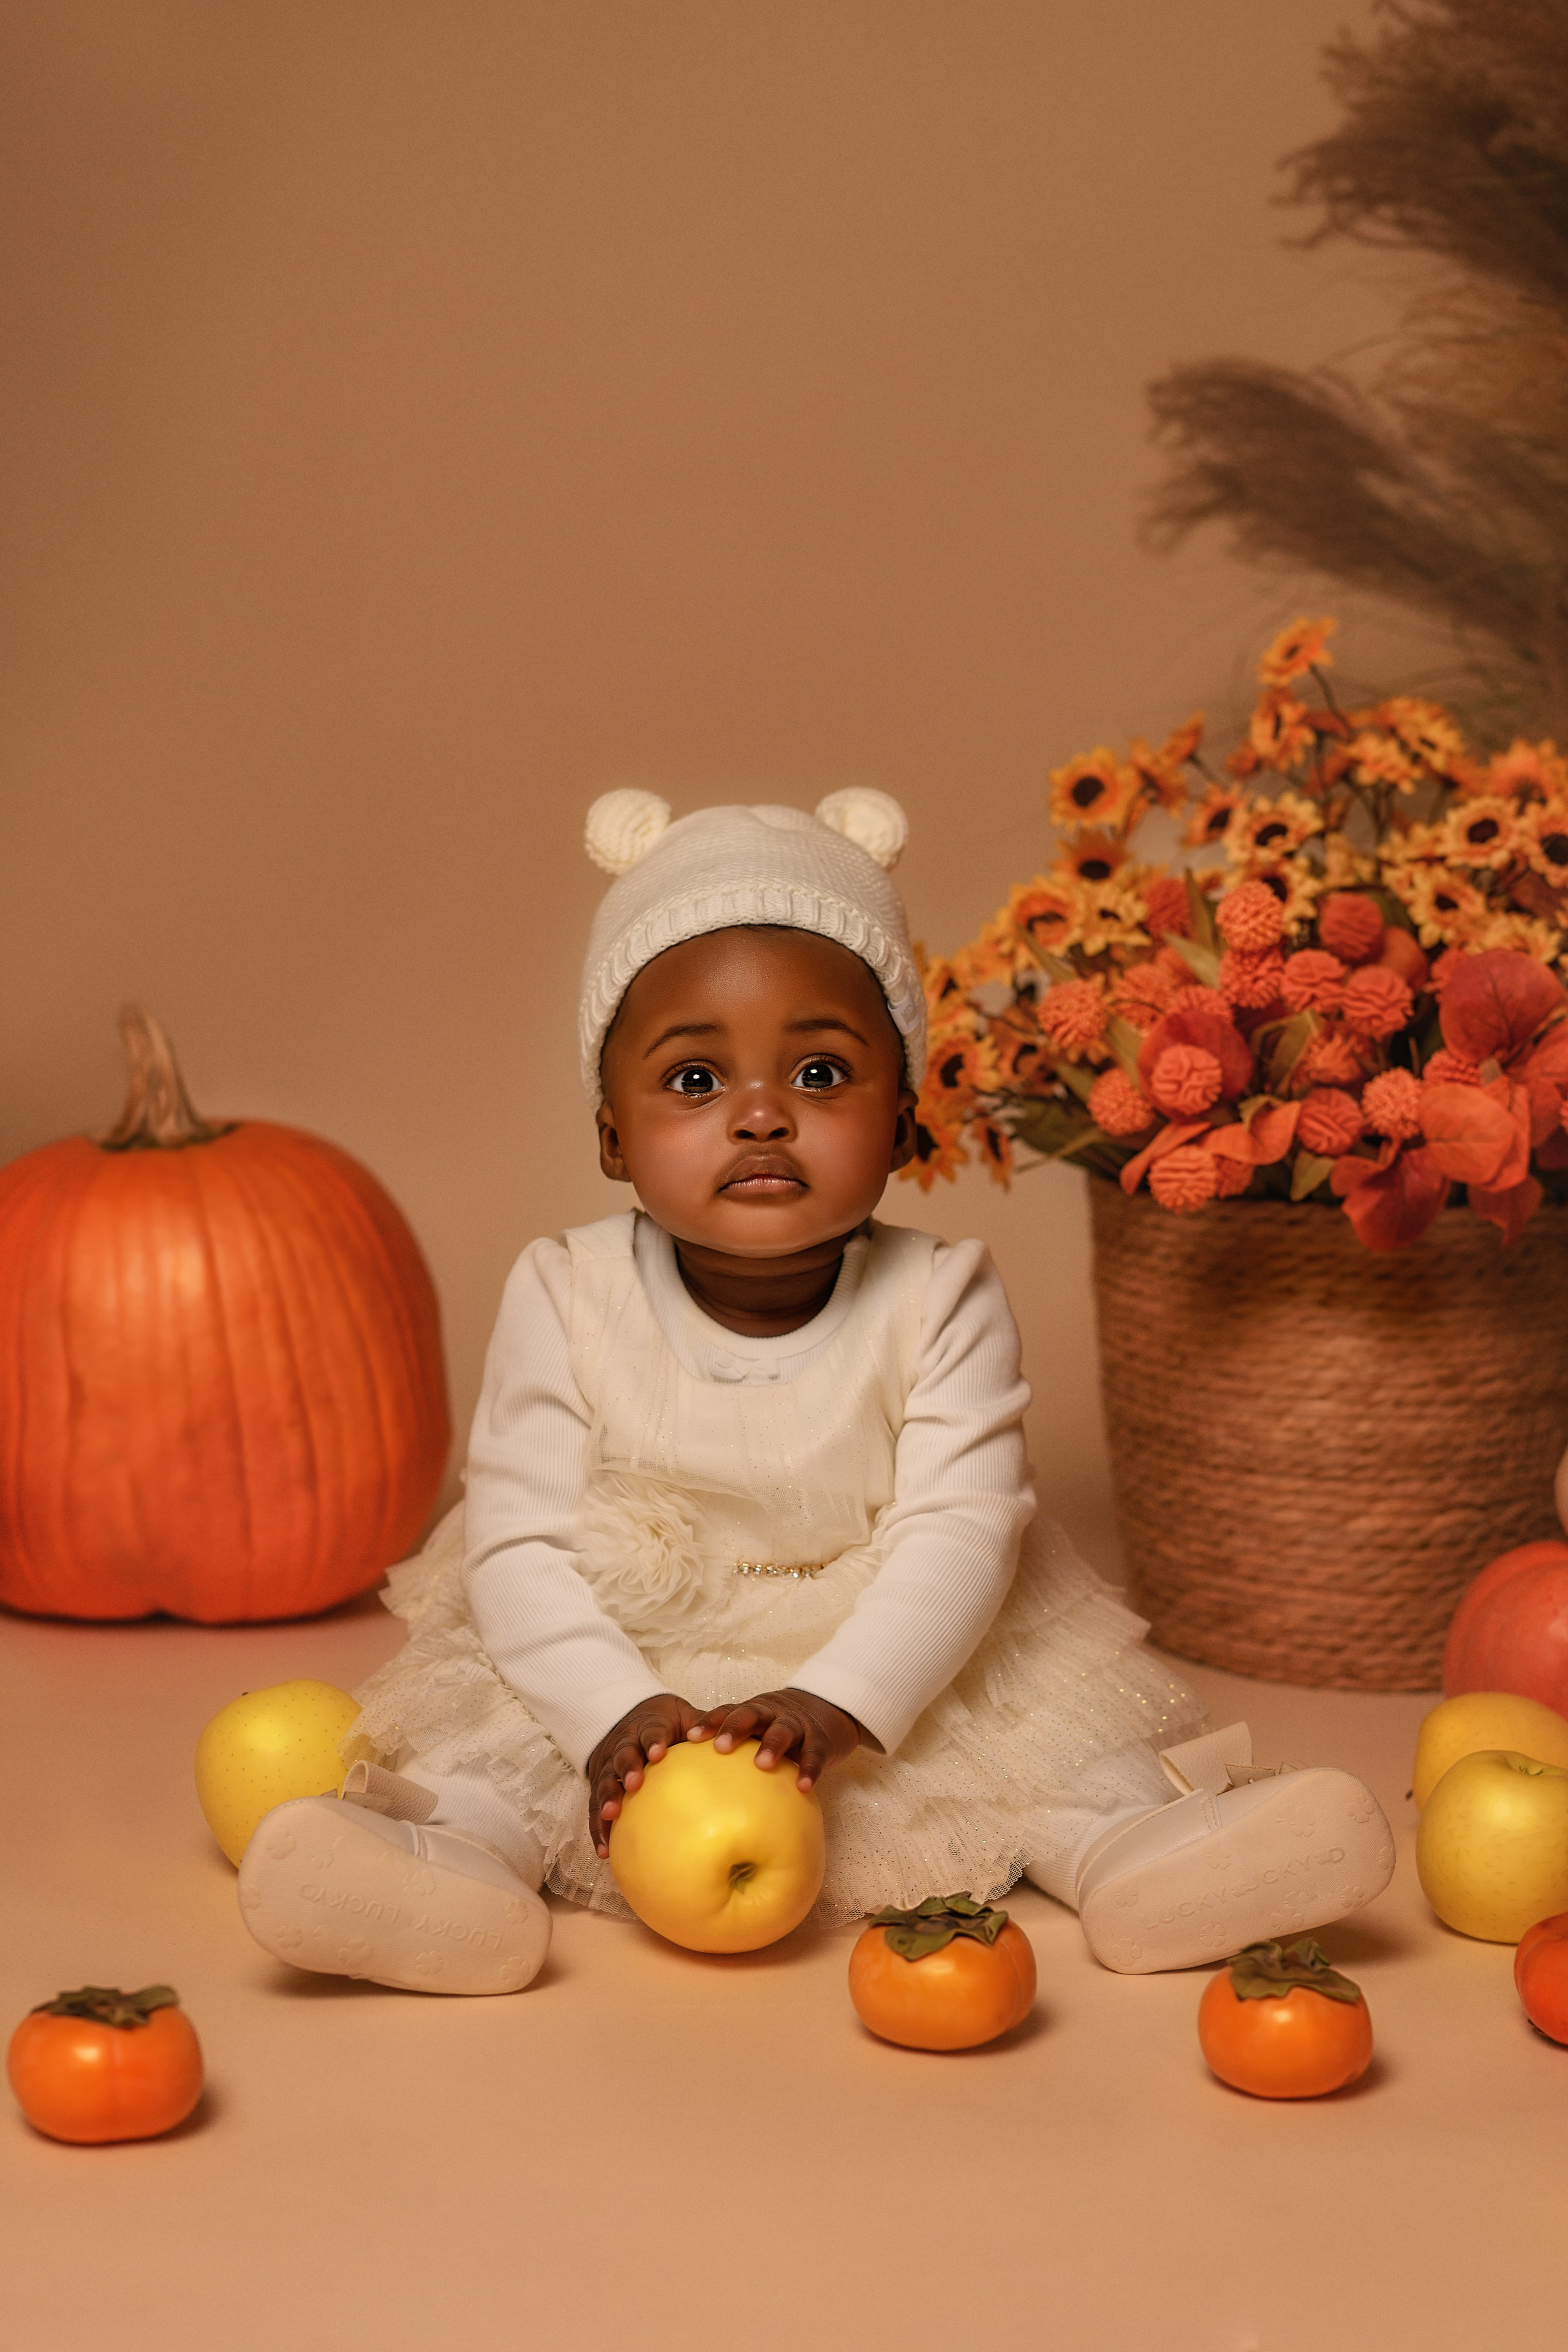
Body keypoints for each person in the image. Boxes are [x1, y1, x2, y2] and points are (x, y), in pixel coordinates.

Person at [237, 790, 1395, 1996]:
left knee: (1030, 1742)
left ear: (899, 1124)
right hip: (626, 1632)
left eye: (820, 1070)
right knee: (502, 1748)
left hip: (884, 1632)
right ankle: (444, 1868)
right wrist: (609, 1715)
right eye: (693, 1078)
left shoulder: (940, 1293)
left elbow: (956, 1530)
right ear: (611, 1137)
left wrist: (838, 1702)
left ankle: (1142, 1852)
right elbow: (521, 1543)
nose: (758, 1112)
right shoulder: (564, 1288)